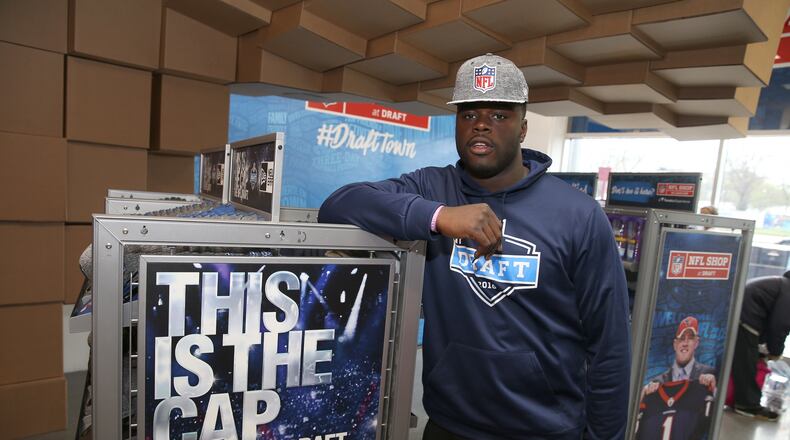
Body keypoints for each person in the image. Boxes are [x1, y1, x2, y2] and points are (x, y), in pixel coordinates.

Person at [318, 53, 631, 439]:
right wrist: (439, 216)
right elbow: (339, 205)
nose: (481, 124)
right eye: (469, 114)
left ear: (523, 128)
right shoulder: (433, 188)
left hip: (545, 429)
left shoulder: (579, 216)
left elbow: (610, 349)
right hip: (450, 425)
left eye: (499, 115)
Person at [731, 271, 790, 421]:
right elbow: (780, 325)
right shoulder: (787, 289)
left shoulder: (781, 284)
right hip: (746, 317)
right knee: (746, 364)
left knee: (744, 361)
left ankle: (736, 399)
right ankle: (747, 405)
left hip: (743, 315)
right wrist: (776, 351)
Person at [642, 316, 717, 396]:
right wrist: (645, 391)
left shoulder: (709, 374)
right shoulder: (658, 382)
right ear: (675, 344)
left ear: (696, 343)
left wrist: (714, 388)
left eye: (690, 338)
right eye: (682, 338)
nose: (685, 343)